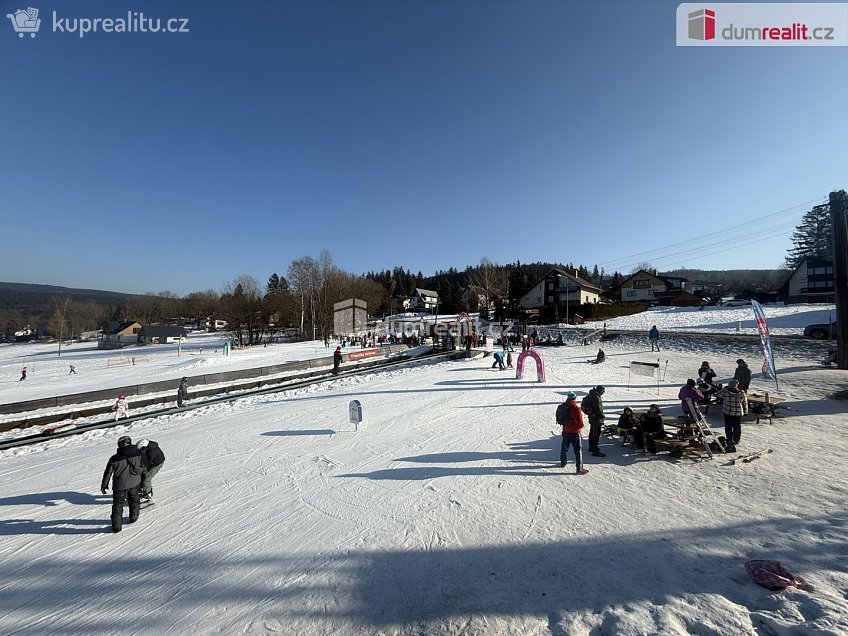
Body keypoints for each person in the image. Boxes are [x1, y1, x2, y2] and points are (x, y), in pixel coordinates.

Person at [100, 435, 146, 533]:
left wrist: (104, 485)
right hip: (134, 482)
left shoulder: (114, 458)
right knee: (134, 500)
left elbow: (108, 472)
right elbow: (143, 467)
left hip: (119, 485)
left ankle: (116, 527)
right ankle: (134, 517)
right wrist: (143, 480)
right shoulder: (138, 454)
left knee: (118, 505)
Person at [556, 391, 589, 475]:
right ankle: (579, 469)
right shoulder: (575, 408)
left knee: (564, 448)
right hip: (574, 432)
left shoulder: (563, 406)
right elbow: (580, 422)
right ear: (575, 398)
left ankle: (563, 462)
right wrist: (580, 427)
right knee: (578, 451)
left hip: (565, 430)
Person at [716, 379, 748, 452]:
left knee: (728, 426)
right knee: (737, 426)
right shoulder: (741, 393)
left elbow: (717, 394)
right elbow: (745, 403)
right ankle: (736, 439)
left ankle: (729, 439)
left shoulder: (725, 392)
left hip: (728, 412)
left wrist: (724, 389)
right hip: (738, 412)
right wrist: (745, 411)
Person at [136, 438, 165, 503]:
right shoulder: (148, 447)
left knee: (147, 478)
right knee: (143, 475)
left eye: (141, 449)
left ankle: (147, 495)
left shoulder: (152, 452)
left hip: (157, 464)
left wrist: (143, 454)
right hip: (152, 463)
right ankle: (145, 489)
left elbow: (147, 463)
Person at [582, 385, 606, 457]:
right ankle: (595, 450)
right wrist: (602, 416)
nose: (603, 393)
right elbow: (598, 409)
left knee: (592, 432)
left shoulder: (592, 394)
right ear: (600, 391)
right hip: (596, 418)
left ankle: (591, 447)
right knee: (596, 434)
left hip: (592, 417)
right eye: (603, 391)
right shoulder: (596, 397)